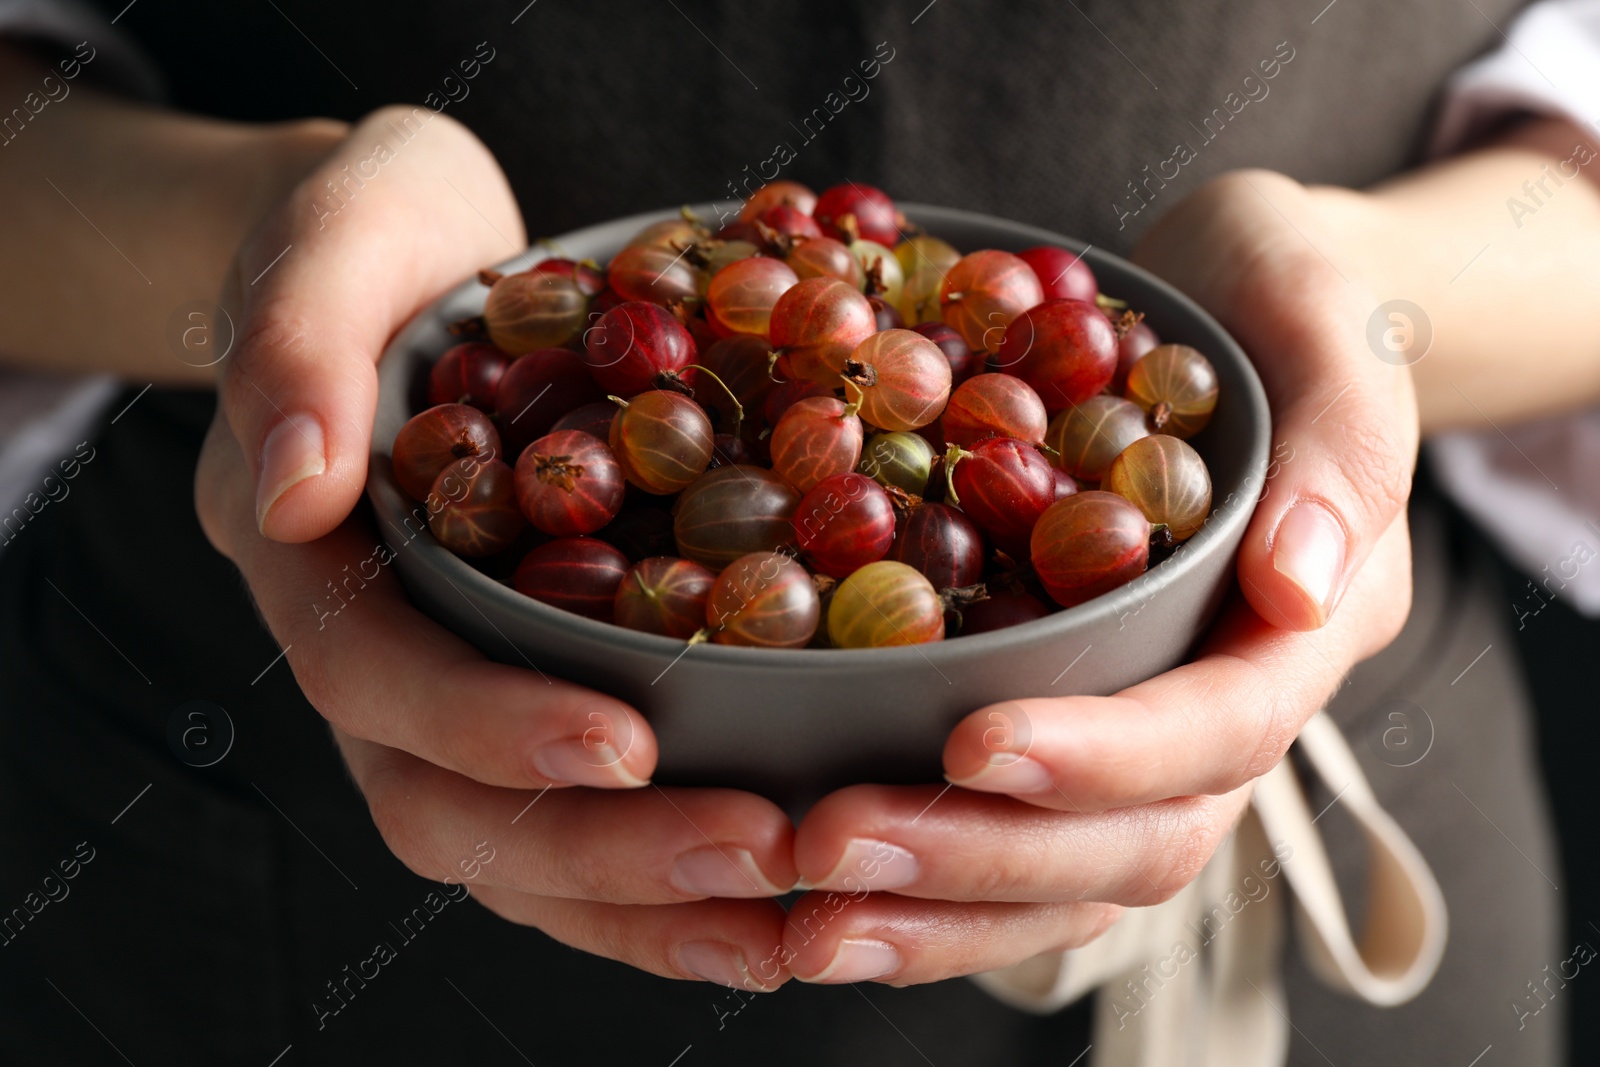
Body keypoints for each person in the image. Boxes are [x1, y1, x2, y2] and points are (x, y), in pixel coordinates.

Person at [0, 0, 1594, 1063]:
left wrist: (1366, 293)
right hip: (291, 868)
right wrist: (272, 248)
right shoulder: (683, 436)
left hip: (1308, 787)